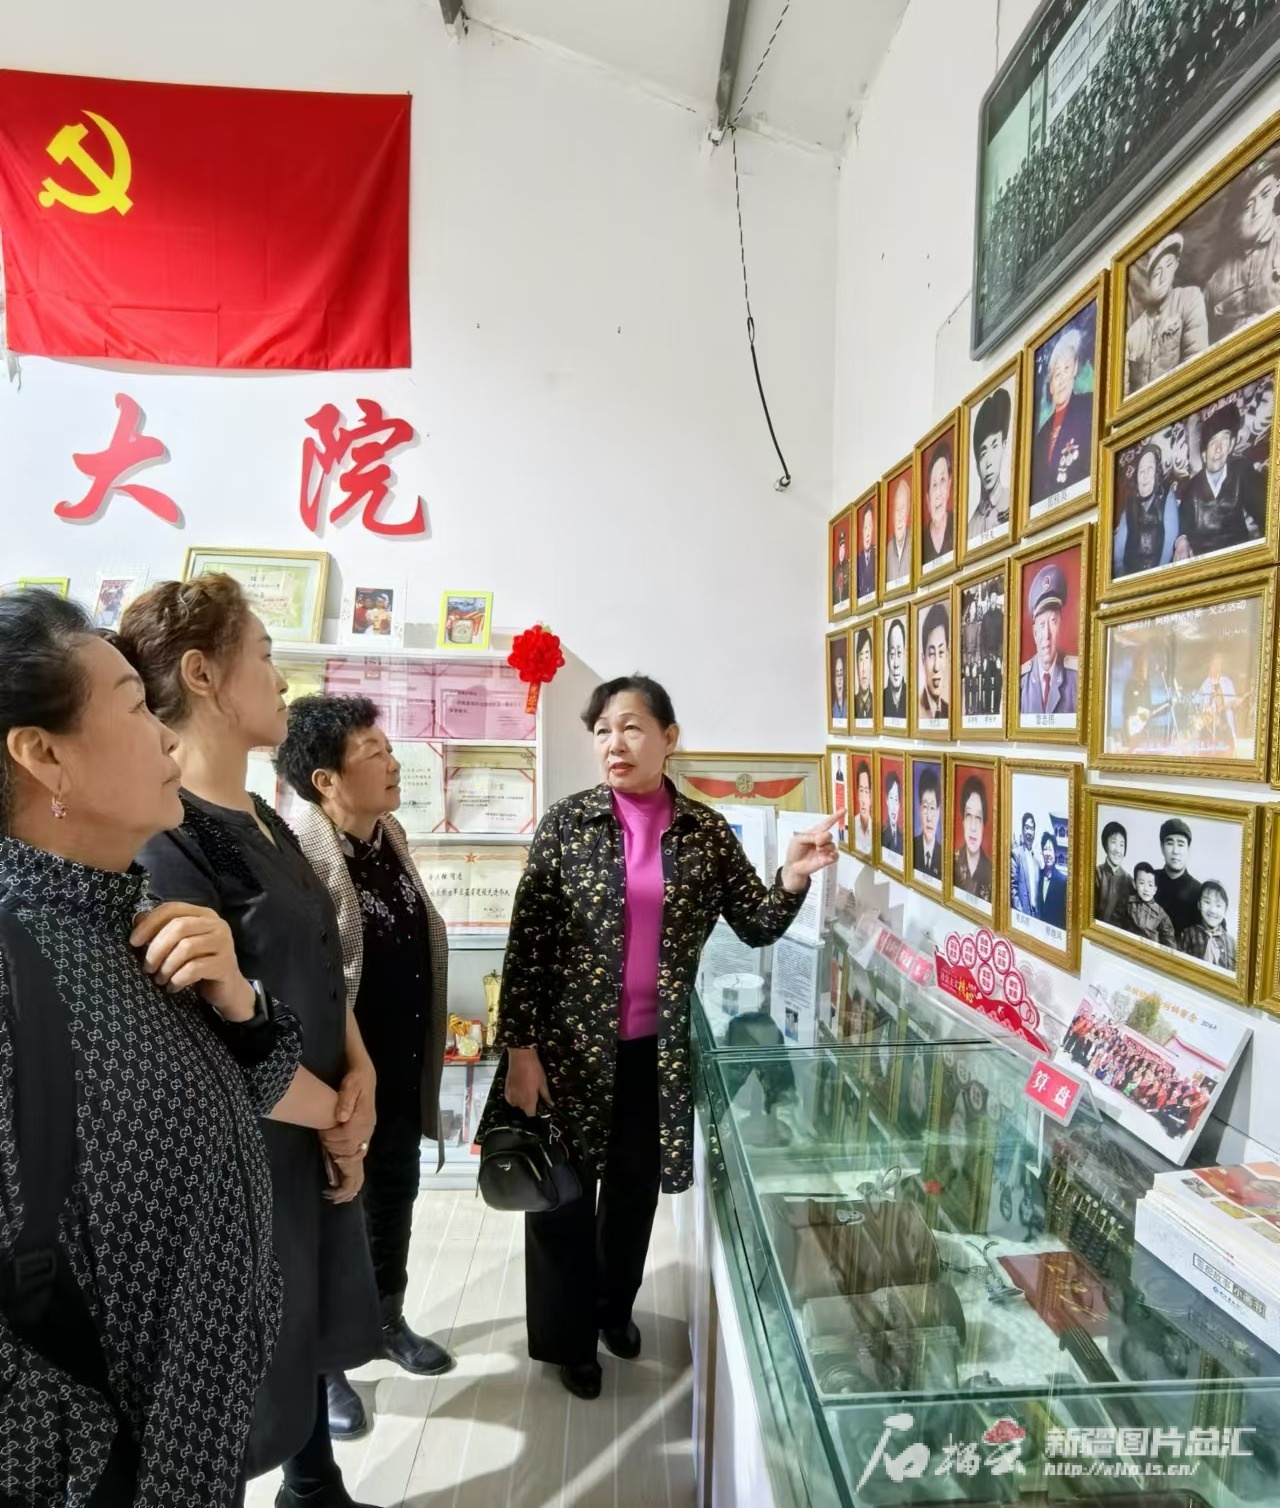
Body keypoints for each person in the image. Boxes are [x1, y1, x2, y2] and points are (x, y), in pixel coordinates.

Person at [0, 590, 345, 1505]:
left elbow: (233, 1086)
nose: (164, 736)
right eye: (132, 707)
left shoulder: (127, 916)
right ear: (43, 756)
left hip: (195, 1445)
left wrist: (240, 1003)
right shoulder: (13, 962)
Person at [478, 675, 836, 1401]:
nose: (615, 743)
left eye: (632, 727)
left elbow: (755, 923)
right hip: (565, 1054)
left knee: (633, 1193)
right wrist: (520, 1052)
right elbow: (527, 948)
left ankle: (613, 1310)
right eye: (603, 730)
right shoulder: (568, 824)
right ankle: (568, 1340)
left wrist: (793, 876)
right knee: (562, 1198)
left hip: (656, 1054)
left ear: (669, 738)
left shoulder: (704, 833)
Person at [120, 577, 383, 1508]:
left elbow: (319, 961)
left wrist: (360, 1071)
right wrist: (337, 1114)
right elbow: (200, 1036)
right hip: (250, 1151)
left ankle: (316, 1487)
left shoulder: (267, 817)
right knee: (241, 1369)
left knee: (306, 1323)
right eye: (264, 655)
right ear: (202, 675)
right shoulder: (167, 839)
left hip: (314, 1128)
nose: (281, 679)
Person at [275, 695, 456, 1440]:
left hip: (400, 1069)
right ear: (325, 780)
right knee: (333, 1216)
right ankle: (326, 1367)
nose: (392, 761)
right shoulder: (301, 856)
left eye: (388, 747)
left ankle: (386, 1319)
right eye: (373, 751)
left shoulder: (390, 836)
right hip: (339, 1079)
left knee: (393, 1200)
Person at [1204, 150, 1280, 346]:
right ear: (1234, 218)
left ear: (1277, 188)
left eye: (1265, 194)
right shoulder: (1215, 283)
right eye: (1247, 206)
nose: (1257, 211)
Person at [1173, 400, 1265, 559]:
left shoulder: (1242, 471)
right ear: (1204, 453)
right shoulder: (1192, 488)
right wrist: (1182, 541)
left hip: (1240, 560)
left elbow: (1266, 511)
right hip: (1205, 566)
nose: (1218, 448)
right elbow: (1182, 524)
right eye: (1213, 441)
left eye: (1225, 439)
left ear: (1232, 444)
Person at [1125, 232, 1208, 394]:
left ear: (1176, 265)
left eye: (1169, 265)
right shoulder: (1133, 333)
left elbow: (1197, 363)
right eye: (1157, 273)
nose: (1163, 277)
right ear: (1148, 282)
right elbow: (1124, 394)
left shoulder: (1189, 299)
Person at [1032, 325, 1093, 504]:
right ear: (1050, 386)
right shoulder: (1041, 436)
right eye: (1056, 374)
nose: (1062, 380)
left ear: (1075, 369)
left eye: (1067, 369)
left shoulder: (1088, 406)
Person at [1113, 442, 1181, 578]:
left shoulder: (1167, 494)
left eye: (1150, 469)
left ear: (1157, 473)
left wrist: (1158, 577)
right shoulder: (1130, 502)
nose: (1145, 476)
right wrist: (1120, 577)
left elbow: (1170, 539)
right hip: (1131, 575)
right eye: (1141, 471)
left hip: (1158, 572)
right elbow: (1119, 551)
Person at [1019, 563, 1077, 717]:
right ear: (1034, 632)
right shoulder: (1021, 681)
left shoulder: (1076, 677)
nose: (1047, 635)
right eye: (1042, 625)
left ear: (1060, 625)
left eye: (1053, 622)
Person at [968, 386, 1011, 540]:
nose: (988, 463)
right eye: (983, 452)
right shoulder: (969, 530)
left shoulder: (1013, 503)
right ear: (977, 464)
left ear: (1003, 446)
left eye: (994, 446)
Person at [1155, 817, 1202, 936]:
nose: (1175, 851)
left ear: (1188, 850)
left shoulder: (1200, 892)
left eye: (1181, 844)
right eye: (1170, 843)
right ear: (1162, 847)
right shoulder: (1148, 880)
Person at [1178, 880, 1237, 971]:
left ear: (1225, 910)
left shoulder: (1231, 943)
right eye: (1207, 902)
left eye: (1218, 905)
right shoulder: (1188, 934)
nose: (1212, 910)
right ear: (1199, 905)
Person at [952, 775, 993, 903]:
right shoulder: (951, 862)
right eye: (969, 815)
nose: (973, 827)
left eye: (978, 817)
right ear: (963, 821)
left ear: (983, 825)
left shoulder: (992, 873)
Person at [1123, 862, 1176, 949]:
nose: (1146, 889)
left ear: (1155, 890)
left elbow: (1169, 942)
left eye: (1150, 885)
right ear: (1134, 884)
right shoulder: (1127, 903)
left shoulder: (1161, 914)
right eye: (1141, 883)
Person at [920, 441, 954, 567]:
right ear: (927, 498)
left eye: (943, 480)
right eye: (934, 485)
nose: (939, 492)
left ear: (949, 485)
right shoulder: (921, 542)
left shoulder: (958, 526)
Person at [1094, 820, 1134, 926]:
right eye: (1113, 842)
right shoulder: (1095, 874)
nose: (1118, 850)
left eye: (1122, 844)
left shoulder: (1130, 881)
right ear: (1105, 845)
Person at [918, 602, 949, 722]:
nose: (936, 667)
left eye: (941, 652)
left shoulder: (949, 710)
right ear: (923, 659)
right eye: (931, 654)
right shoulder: (916, 710)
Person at [912, 765, 942, 881]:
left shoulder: (944, 856)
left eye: (933, 808)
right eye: (925, 807)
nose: (929, 817)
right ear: (919, 809)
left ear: (939, 812)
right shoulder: (911, 847)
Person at [885, 474, 913, 586]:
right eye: (897, 510)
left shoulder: (915, 542)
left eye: (903, 509)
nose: (900, 516)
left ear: (908, 512)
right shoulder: (888, 548)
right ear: (893, 514)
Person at [1037, 834, 1068, 930]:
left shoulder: (1063, 881)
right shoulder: (1038, 876)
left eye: (1050, 849)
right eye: (1045, 849)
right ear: (1042, 852)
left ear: (1055, 853)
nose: (1048, 853)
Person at [1012, 812, 1040, 919]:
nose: (1029, 832)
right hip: (1022, 915)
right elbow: (1013, 889)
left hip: (1036, 916)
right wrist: (1021, 913)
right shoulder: (1016, 854)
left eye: (1032, 829)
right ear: (1022, 830)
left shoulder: (1036, 859)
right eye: (1027, 827)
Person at [882, 617, 908, 722]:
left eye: (899, 653)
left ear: (905, 656)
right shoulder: (880, 699)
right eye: (892, 654)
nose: (896, 664)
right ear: (887, 658)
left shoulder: (913, 698)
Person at [880, 770, 904, 856]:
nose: (894, 806)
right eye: (891, 798)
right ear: (887, 800)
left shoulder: (903, 838)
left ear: (899, 804)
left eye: (896, 799)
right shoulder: (881, 835)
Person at [853, 759, 873, 855]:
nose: (863, 800)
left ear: (871, 796)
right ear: (857, 794)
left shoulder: (877, 830)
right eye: (861, 791)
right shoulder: (851, 825)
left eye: (866, 791)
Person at [853, 628, 874, 723]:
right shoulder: (851, 704)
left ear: (872, 663)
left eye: (866, 657)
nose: (864, 668)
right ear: (856, 665)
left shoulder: (879, 703)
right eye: (861, 659)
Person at [856, 504, 876, 601]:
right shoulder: (857, 561)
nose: (867, 534)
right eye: (865, 528)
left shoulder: (878, 556)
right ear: (862, 531)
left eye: (870, 527)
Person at [832, 526, 851, 611]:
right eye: (841, 548)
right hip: (837, 606)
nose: (842, 551)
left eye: (844, 548)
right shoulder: (835, 570)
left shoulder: (848, 565)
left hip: (846, 604)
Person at [830, 648, 848, 724]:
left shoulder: (850, 706)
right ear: (834, 680)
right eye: (837, 675)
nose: (840, 679)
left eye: (841, 674)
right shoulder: (831, 709)